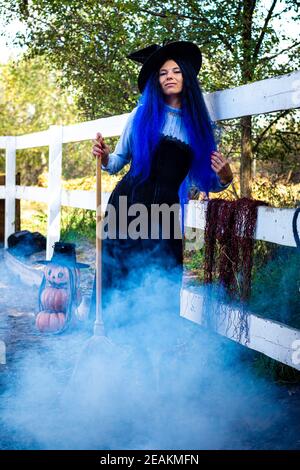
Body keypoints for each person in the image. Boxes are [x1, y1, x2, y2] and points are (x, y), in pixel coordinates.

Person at [90, 41, 233, 326]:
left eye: (176, 71)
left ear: (187, 77)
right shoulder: (141, 116)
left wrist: (225, 177)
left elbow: (207, 181)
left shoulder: (199, 128)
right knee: (118, 276)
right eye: (163, 72)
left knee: (162, 281)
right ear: (157, 81)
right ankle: (112, 345)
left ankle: (153, 353)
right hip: (127, 206)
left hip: (166, 214)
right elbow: (117, 161)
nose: (169, 76)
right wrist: (105, 157)